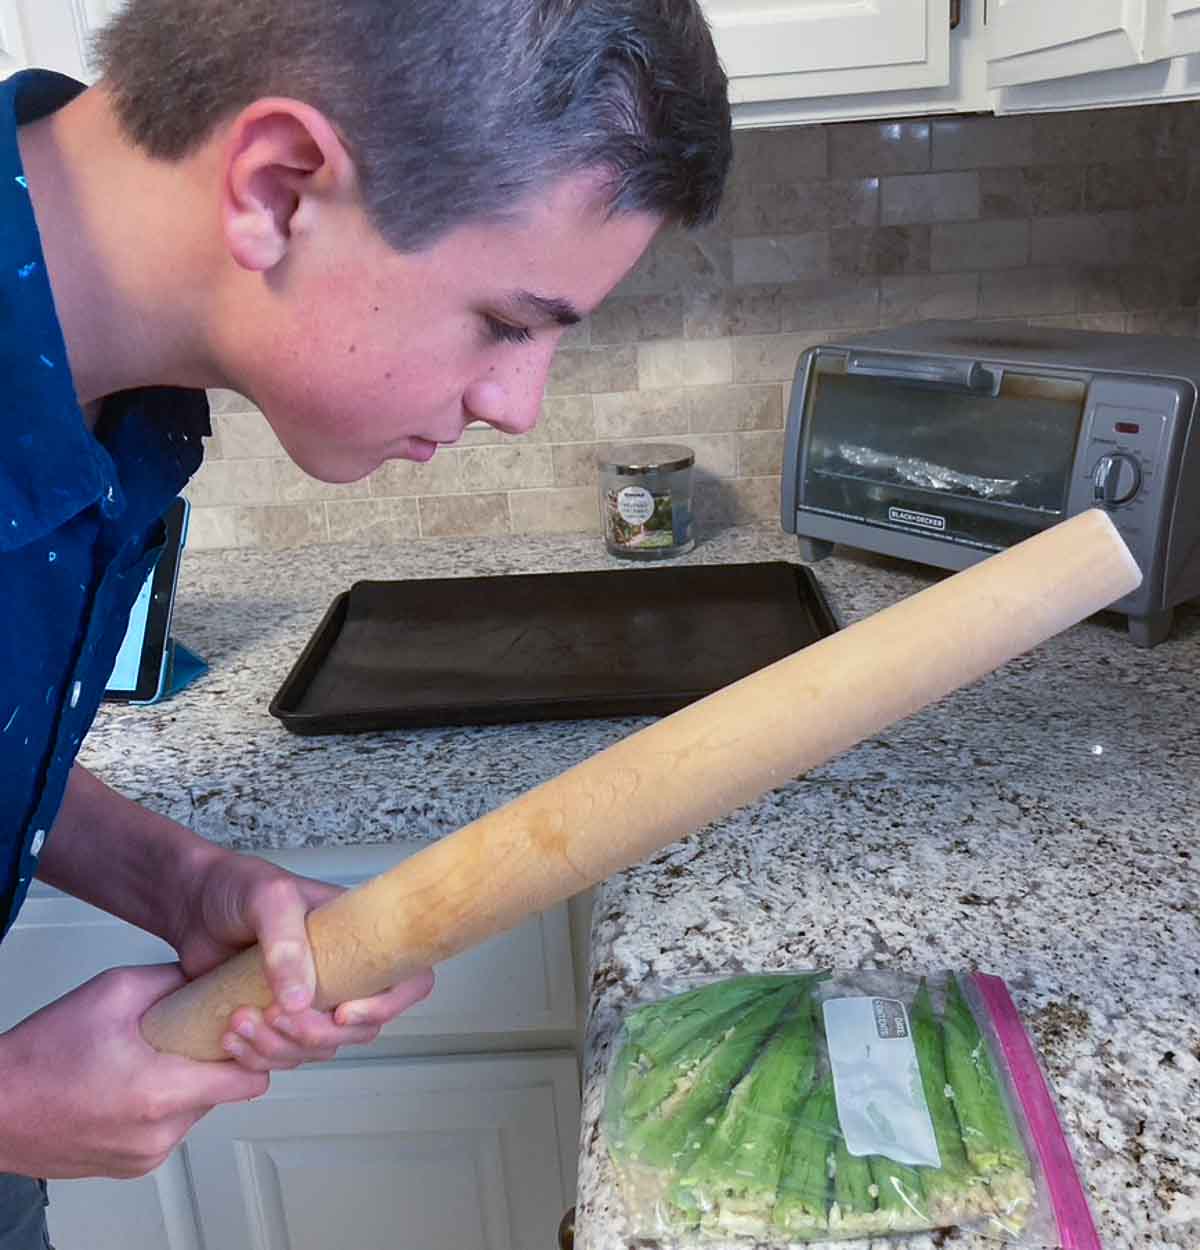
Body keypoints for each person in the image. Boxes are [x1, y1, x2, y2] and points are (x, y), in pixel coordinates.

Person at [0, 0, 730, 1243]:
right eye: (508, 321)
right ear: (280, 188)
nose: (518, 404)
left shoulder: (118, 396)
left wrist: (178, 876)